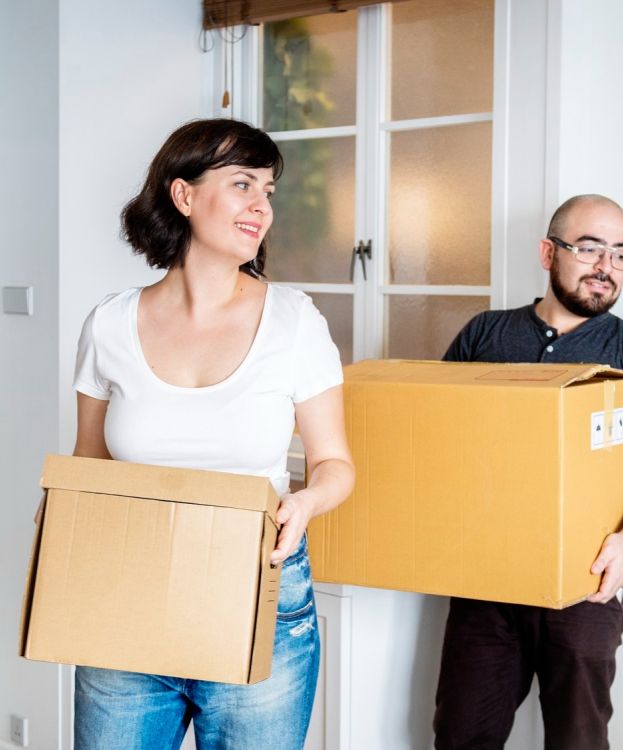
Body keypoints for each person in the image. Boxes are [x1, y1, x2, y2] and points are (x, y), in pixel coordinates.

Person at [71, 118, 354, 750]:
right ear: (183, 194)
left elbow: (335, 463)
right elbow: (88, 463)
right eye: (243, 184)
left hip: (257, 589)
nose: (262, 206)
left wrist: (306, 502)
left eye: (269, 191)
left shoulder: (295, 321)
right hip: (129, 596)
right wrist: (65, 520)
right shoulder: (109, 324)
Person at [432, 195, 623, 750]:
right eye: (590, 248)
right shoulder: (485, 335)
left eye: (621, 255)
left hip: (589, 581)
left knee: (578, 740)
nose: (606, 267)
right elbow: (438, 438)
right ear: (549, 253)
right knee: (461, 736)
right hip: (487, 579)